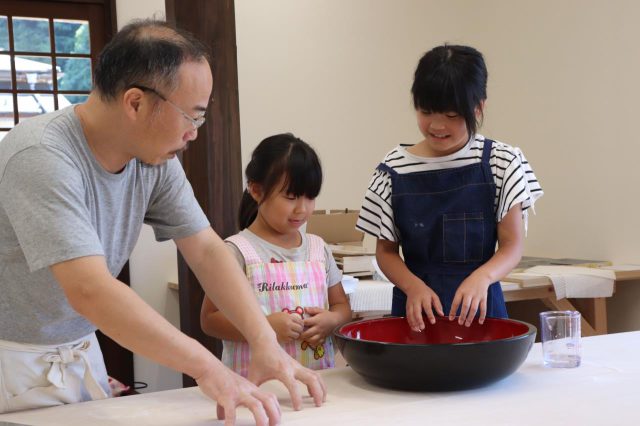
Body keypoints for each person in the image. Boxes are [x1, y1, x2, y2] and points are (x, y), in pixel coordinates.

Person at [0, 19, 326, 424]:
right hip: (13, 361)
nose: (194, 133)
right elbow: (90, 290)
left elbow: (205, 249)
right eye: (192, 116)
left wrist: (264, 341)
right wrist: (210, 369)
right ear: (135, 103)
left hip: (79, 350)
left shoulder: (152, 157)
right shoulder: (42, 156)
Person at [356, 45, 543, 332]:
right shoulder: (393, 168)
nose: (437, 125)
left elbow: (512, 246)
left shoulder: (502, 162)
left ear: (479, 107)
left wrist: (482, 277)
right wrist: (413, 287)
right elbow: (386, 252)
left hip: (482, 312)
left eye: (452, 114)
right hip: (415, 313)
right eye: (426, 111)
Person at [201, 133, 352, 377]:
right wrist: (263, 327)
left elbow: (342, 306)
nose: (302, 209)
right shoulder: (236, 251)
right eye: (290, 197)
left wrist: (332, 320)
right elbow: (210, 320)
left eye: (310, 197)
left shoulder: (318, 249)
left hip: (315, 383)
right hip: (255, 389)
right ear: (256, 190)